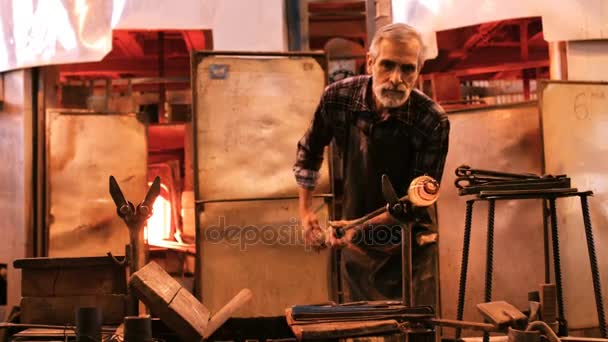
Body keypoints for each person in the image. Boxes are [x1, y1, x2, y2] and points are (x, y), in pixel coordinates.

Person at [293, 23, 450, 303]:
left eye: (407, 69)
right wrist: (305, 211)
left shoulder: (431, 121)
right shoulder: (338, 99)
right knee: (361, 324)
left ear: (419, 70)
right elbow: (309, 150)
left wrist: (356, 227)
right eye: (387, 65)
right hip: (357, 242)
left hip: (412, 242)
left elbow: (417, 199)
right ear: (370, 62)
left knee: (414, 326)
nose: (396, 79)